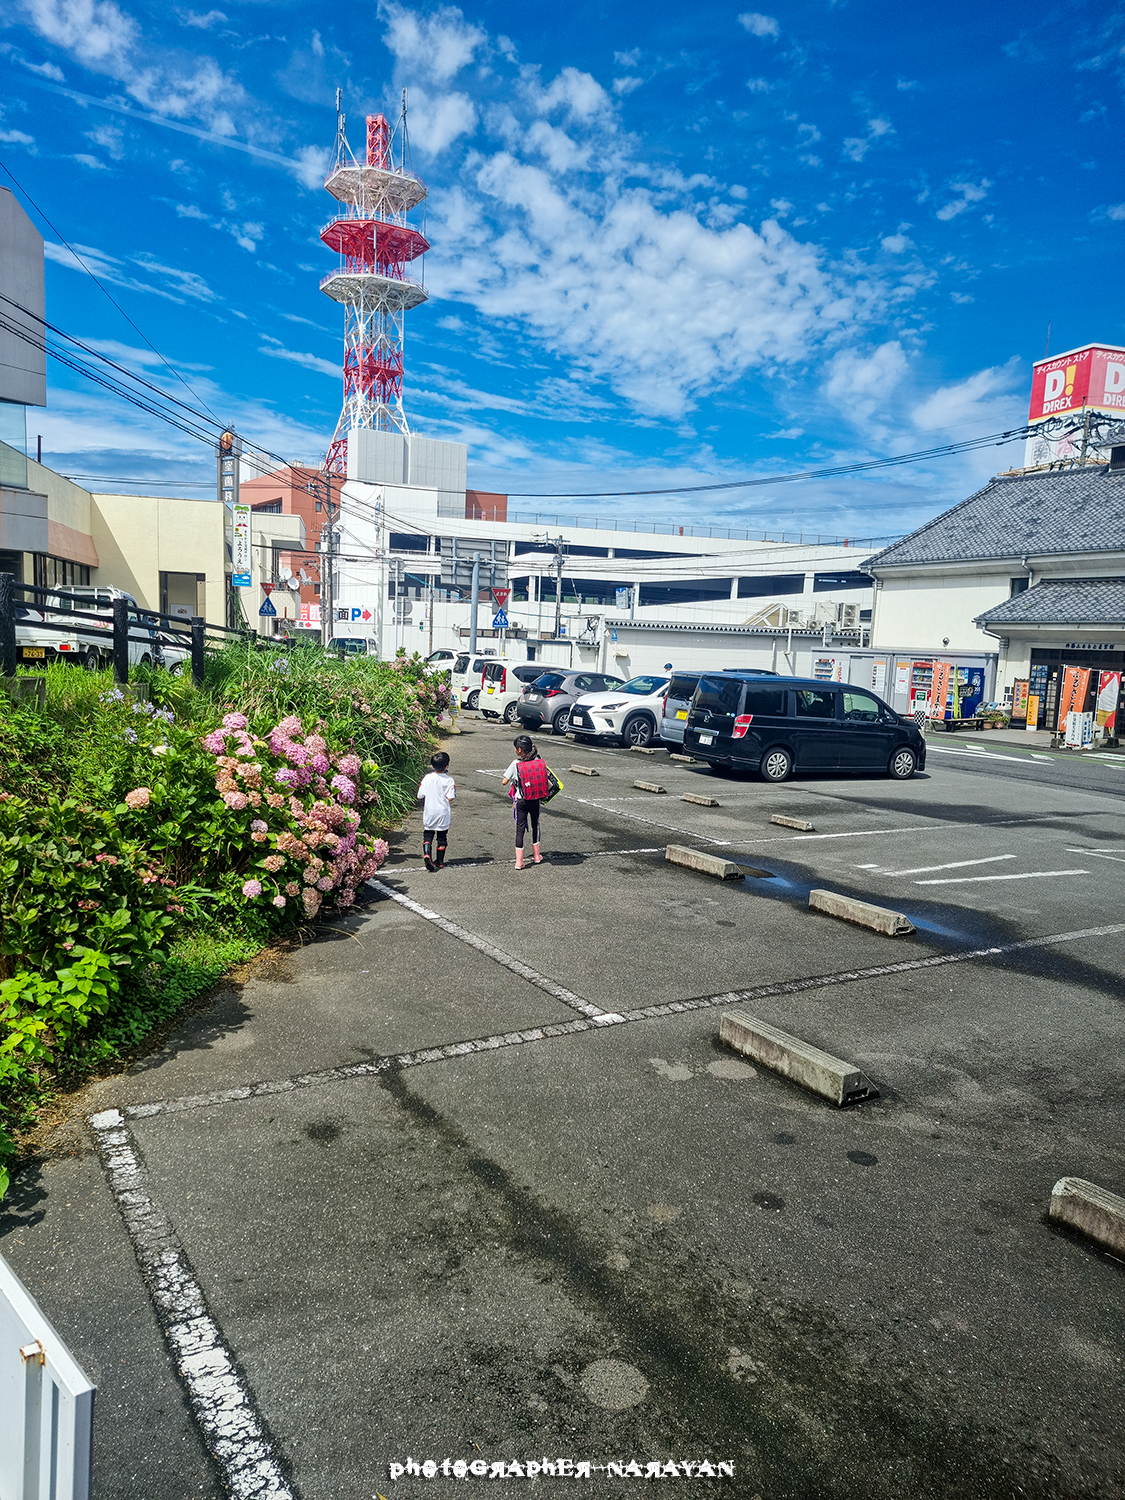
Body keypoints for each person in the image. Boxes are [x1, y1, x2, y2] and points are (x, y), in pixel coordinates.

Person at [501, 734, 548, 869]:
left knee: (520, 829)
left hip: (521, 800)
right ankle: (537, 856)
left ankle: (519, 862)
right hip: (535, 799)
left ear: (520, 750)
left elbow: (504, 781)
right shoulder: (538, 759)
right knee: (535, 825)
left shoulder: (515, 764)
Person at [417, 750, 455, 872]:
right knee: (442, 838)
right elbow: (450, 797)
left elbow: (420, 795)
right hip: (443, 812)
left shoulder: (427, 778)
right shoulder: (449, 780)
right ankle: (440, 861)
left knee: (428, 835)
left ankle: (427, 854)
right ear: (447, 765)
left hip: (430, 811)